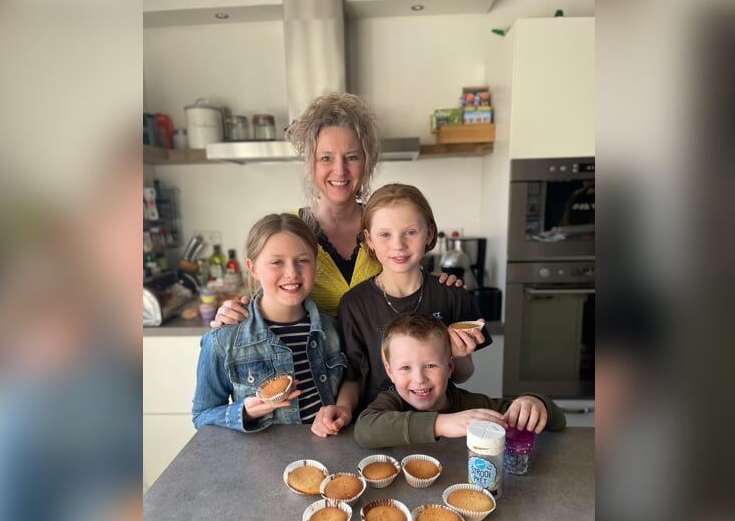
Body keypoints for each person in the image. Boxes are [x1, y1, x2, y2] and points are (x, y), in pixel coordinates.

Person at [210, 92, 458, 326]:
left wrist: (440, 284)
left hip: (382, 370)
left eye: (351, 157)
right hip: (309, 370)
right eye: (326, 158)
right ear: (311, 164)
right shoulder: (289, 231)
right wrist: (232, 311)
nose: (340, 171)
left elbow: (409, 283)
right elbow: (267, 295)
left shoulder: (384, 227)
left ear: (367, 162)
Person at [192, 213, 358, 436]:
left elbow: (351, 378)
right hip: (264, 463)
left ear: (315, 262)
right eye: (276, 262)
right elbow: (202, 415)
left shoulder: (332, 329)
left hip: (326, 457)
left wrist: (342, 409)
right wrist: (245, 413)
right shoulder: (223, 340)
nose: (292, 273)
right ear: (253, 268)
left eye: (302, 260)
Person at [338, 183, 491, 412]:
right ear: (369, 239)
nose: (398, 245)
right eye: (385, 235)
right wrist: (342, 408)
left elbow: (463, 376)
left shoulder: (452, 295)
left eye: (410, 232)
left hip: (442, 423)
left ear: (429, 233)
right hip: (379, 426)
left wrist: (459, 356)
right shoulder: (354, 305)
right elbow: (353, 377)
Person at [354, 313, 565, 448]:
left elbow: (557, 422)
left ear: (449, 367)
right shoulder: (390, 403)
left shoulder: (474, 407)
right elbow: (364, 430)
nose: (419, 379)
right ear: (390, 372)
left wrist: (534, 402)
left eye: (430, 366)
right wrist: (442, 424)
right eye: (405, 368)